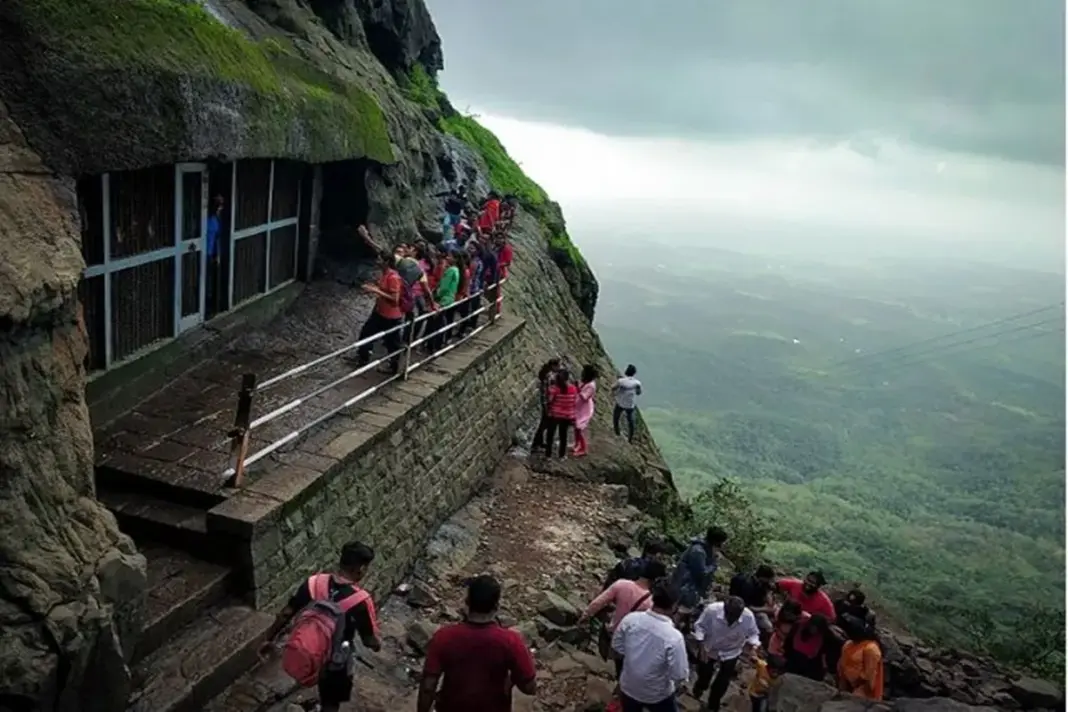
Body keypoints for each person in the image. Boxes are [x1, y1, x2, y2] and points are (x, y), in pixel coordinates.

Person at [258, 542, 381, 712]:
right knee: (331, 702)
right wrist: (377, 645)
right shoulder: (360, 600)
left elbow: (286, 613)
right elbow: (369, 640)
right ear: (360, 568)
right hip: (336, 659)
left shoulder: (313, 582)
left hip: (309, 648)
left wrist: (268, 638)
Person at [418, 574, 536, 712]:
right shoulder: (510, 641)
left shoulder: (444, 637)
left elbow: (428, 686)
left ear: (467, 602)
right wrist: (511, 679)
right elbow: (529, 688)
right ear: (496, 606)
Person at [611, 580, 690, 712]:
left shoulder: (630, 620)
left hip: (628, 686)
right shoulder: (674, 637)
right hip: (657, 695)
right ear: (674, 605)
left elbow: (617, 648)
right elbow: (679, 674)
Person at [579, 559, 666, 673]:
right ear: (656, 580)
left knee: (607, 663)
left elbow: (598, 603)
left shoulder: (621, 584)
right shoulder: (650, 603)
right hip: (628, 644)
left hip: (611, 633)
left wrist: (585, 616)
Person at [692, 596, 761, 712]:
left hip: (731, 652)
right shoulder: (711, 611)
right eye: (729, 616)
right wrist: (701, 645)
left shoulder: (748, 617)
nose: (731, 620)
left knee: (723, 681)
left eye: (735, 617)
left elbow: (754, 634)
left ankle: (713, 704)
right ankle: (700, 686)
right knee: (704, 674)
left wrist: (754, 646)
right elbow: (699, 626)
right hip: (710, 649)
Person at [356, 250, 404, 374]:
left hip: (391, 317)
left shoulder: (393, 277)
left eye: (380, 259)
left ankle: (395, 367)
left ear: (386, 262)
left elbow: (395, 299)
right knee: (366, 333)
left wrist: (376, 291)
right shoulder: (384, 274)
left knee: (392, 343)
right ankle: (362, 357)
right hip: (379, 312)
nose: (377, 261)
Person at [671, 526, 728, 609]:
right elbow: (701, 573)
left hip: (689, 589)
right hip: (684, 588)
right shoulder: (698, 552)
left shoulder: (705, 550)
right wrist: (714, 564)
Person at [836, 614, 884, 701]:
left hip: (863, 687)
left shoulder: (870, 649)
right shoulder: (848, 645)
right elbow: (842, 664)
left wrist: (857, 685)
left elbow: (869, 674)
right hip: (846, 682)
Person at [729, 564, 777, 644]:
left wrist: (769, 597)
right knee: (768, 626)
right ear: (763, 577)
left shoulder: (761, 582)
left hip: (757, 605)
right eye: (768, 579)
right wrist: (766, 609)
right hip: (744, 609)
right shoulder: (748, 586)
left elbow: (768, 593)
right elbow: (746, 606)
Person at [603, 539, 672, 590]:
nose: (665, 563)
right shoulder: (648, 572)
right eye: (663, 558)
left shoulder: (629, 562)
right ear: (657, 556)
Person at [783, 613, 831, 681]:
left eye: (816, 628)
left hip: (810, 663)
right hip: (794, 658)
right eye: (813, 627)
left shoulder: (823, 636)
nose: (814, 630)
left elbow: (822, 654)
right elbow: (788, 642)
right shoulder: (798, 626)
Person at [428, 252, 460, 353]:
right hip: (450, 297)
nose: (447, 257)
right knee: (442, 320)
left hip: (444, 299)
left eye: (450, 256)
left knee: (437, 322)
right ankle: (438, 343)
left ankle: (434, 345)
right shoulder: (456, 270)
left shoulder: (450, 270)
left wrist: (437, 296)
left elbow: (444, 286)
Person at [544, 368, 578, 459]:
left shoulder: (555, 389)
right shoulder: (573, 389)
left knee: (550, 435)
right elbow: (574, 402)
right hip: (567, 416)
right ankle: (562, 455)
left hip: (555, 415)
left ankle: (548, 455)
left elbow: (550, 400)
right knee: (563, 435)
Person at [530, 358, 561, 452]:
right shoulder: (549, 377)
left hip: (547, 403)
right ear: (553, 366)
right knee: (544, 424)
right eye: (558, 365)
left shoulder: (549, 375)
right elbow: (546, 392)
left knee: (544, 424)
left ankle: (539, 442)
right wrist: (547, 407)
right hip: (547, 404)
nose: (559, 367)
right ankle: (535, 444)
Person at [572, 364, 599, 457]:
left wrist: (577, 388)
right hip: (579, 406)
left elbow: (585, 397)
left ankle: (583, 448)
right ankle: (576, 444)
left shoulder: (591, 386)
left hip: (584, 409)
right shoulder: (586, 382)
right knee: (576, 426)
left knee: (580, 427)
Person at [612, 365, 642, 442]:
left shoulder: (621, 381)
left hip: (620, 402)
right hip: (630, 404)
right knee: (630, 421)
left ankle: (617, 432)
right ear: (634, 373)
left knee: (616, 417)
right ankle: (630, 438)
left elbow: (613, 388)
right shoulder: (637, 383)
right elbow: (638, 393)